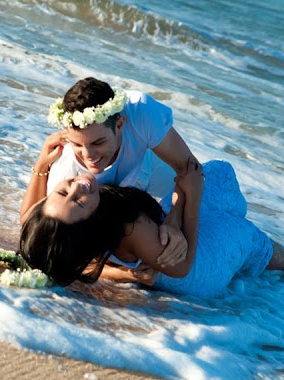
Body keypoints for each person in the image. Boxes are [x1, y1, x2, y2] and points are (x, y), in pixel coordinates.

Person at [19, 160, 284, 298]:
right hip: (200, 268)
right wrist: (193, 197)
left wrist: (44, 161)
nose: (78, 187)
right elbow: (183, 267)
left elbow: (29, 222)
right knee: (251, 239)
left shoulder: (60, 229)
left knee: (217, 173)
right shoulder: (132, 229)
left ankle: (221, 215)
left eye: (62, 192)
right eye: (79, 203)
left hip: (162, 237)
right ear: (89, 223)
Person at [20, 77, 203, 265]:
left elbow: (190, 168)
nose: (88, 155)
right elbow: (32, 226)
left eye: (98, 142)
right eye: (76, 144)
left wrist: (174, 218)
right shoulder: (69, 177)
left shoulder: (140, 113)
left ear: (120, 124)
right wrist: (42, 165)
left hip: (149, 165)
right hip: (112, 196)